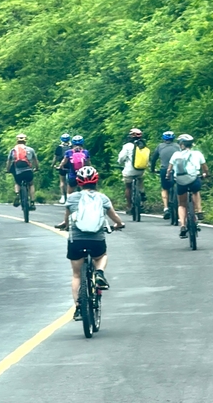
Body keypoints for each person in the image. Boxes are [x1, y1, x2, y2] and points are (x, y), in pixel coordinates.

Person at [57, 166, 124, 321]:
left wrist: (64, 225)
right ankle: (99, 273)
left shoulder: (72, 198)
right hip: (96, 240)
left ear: (79, 182)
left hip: (76, 240)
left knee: (76, 275)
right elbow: (114, 217)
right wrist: (119, 225)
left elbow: (66, 220)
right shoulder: (103, 198)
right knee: (101, 256)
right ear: (96, 181)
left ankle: (79, 308)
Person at [166, 134, 209, 238]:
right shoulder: (198, 154)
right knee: (196, 191)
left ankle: (183, 225)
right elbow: (205, 168)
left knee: (181, 204)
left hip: (180, 181)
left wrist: (168, 176)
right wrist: (206, 174)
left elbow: (169, 169)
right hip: (194, 179)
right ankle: (199, 210)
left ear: (181, 144)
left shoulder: (176, 154)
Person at [150, 131, 180, 219]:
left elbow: (153, 159)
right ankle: (179, 205)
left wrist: (152, 169)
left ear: (163, 139)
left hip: (164, 170)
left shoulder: (160, 146)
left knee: (164, 188)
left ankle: (166, 208)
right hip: (177, 170)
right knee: (179, 186)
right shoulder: (178, 146)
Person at [6, 133, 40, 210]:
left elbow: (8, 161)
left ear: (17, 141)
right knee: (31, 184)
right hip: (28, 171)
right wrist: (37, 168)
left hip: (18, 172)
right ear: (25, 141)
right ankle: (32, 202)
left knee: (17, 183)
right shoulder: (30, 150)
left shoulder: (13, 150)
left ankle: (17, 194)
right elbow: (35, 160)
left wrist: (7, 170)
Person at [118, 128, 147, 213]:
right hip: (140, 170)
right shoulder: (143, 145)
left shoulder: (127, 146)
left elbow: (121, 158)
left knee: (128, 186)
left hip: (129, 171)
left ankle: (129, 206)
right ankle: (142, 194)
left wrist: (120, 162)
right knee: (140, 180)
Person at [51, 133, 72, 204]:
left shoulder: (59, 147)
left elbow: (56, 157)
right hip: (71, 165)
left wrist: (53, 164)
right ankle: (70, 195)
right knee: (71, 180)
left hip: (62, 165)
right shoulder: (72, 146)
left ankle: (63, 196)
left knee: (62, 181)